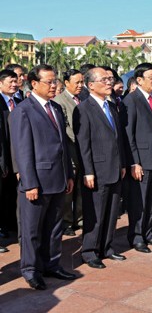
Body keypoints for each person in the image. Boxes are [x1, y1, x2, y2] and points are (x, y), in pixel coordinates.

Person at [10, 64, 76, 290]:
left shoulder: (56, 108)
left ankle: (52, 264)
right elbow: (22, 150)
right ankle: (30, 270)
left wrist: (68, 174)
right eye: (49, 81)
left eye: (55, 80)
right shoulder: (23, 110)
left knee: (54, 227)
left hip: (58, 178)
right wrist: (29, 183)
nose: (54, 85)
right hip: (36, 181)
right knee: (31, 230)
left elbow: (63, 146)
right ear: (34, 83)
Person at [73, 67, 127, 269]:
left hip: (114, 168)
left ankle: (107, 247)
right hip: (96, 170)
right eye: (104, 79)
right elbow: (83, 144)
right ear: (91, 85)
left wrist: (122, 163)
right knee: (94, 213)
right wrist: (87, 171)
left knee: (112, 211)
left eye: (110, 79)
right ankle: (90, 251)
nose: (109, 83)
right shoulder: (84, 109)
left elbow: (118, 139)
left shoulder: (112, 107)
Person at [121, 62, 152, 253]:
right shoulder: (131, 100)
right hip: (141, 161)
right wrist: (134, 162)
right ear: (139, 80)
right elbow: (128, 134)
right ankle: (137, 236)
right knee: (139, 202)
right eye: (151, 77)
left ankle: (148, 233)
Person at [53, 69, 84, 237]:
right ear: (66, 83)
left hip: (83, 152)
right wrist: (82, 139)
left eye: (82, 82)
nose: (80, 85)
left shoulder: (83, 98)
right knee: (69, 190)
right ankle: (65, 221)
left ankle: (79, 218)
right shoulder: (60, 101)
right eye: (77, 82)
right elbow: (64, 128)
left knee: (80, 187)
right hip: (70, 151)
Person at [0, 69, 21, 239]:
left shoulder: (20, 102)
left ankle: (12, 224)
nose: (14, 85)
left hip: (18, 155)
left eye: (16, 81)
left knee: (13, 193)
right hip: (3, 155)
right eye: (10, 82)